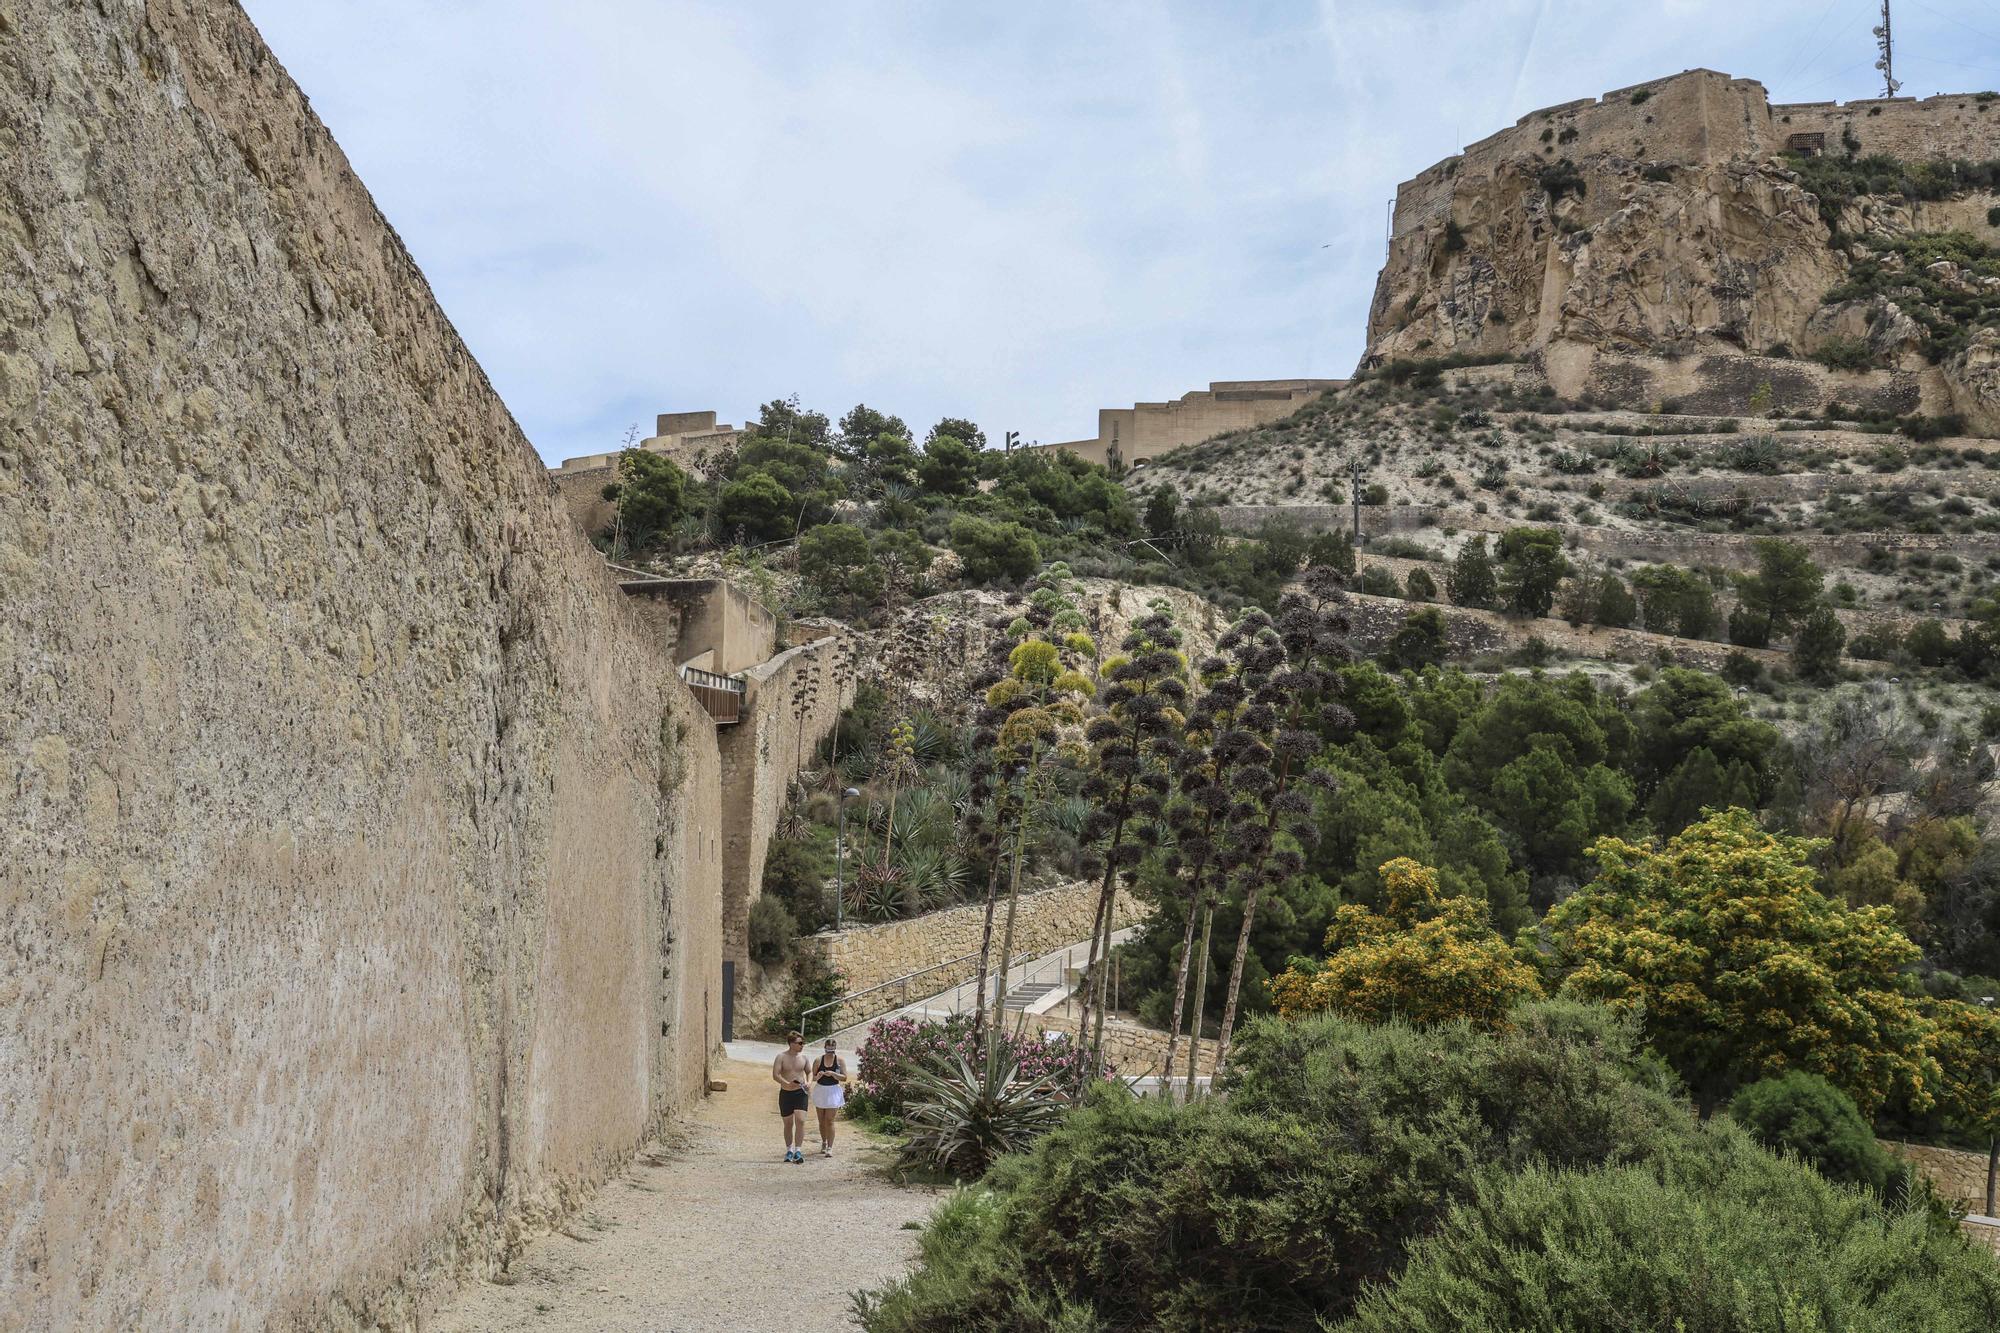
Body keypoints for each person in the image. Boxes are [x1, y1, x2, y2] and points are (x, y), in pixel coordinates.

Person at [772, 1031, 811, 1163]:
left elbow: (809, 1072)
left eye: (803, 1043)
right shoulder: (781, 1057)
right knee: (788, 1123)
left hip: (801, 1093)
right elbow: (776, 1075)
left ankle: (798, 1151)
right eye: (800, 1043)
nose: (802, 1045)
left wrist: (809, 1082)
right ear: (791, 1043)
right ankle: (789, 1150)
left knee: (800, 1121)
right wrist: (786, 1083)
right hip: (786, 1093)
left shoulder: (804, 1057)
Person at [810, 1037, 848, 1157]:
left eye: (832, 1050)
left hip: (833, 1091)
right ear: (825, 1048)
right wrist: (819, 1076)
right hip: (821, 1090)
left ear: (835, 1049)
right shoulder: (818, 1060)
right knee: (821, 1121)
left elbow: (844, 1077)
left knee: (829, 1120)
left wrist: (833, 1074)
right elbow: (813, 1077)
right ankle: (824, 1142)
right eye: (828, 1049)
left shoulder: (840, 1060)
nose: (830, 1052)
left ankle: (830, 1147)